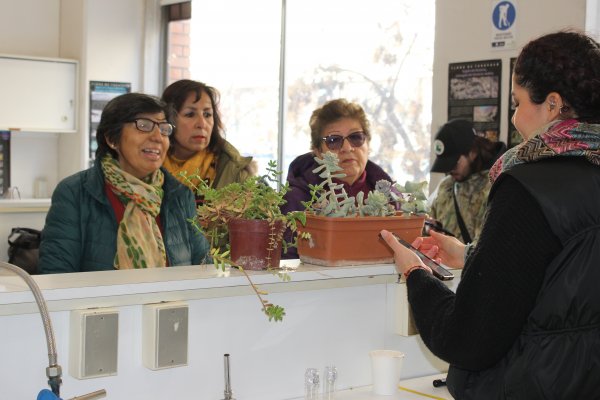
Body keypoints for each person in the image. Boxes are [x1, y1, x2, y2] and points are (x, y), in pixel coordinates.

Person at [381, 30, 600, 399]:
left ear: (552, 104)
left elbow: (468, 338)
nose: (514, 120)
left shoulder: (528, 186)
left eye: (517, 103)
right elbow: (566, 272)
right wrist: (473, 256)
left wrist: (416, 274)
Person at [39, 93, 210, 273]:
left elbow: (205, 267)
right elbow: (55, 273)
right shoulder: (75, 192)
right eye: (144, 126)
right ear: (112, 138)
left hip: (172, 293)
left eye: (164, 129)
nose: (158, 137)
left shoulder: (180, 195)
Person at [281, 98, 395, 258]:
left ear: (368, 144)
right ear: (318, 152)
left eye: (356, 137)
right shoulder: (296, 200)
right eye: (333, 141)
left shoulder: (391, 198)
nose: (347, 148)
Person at [161, 79, 256, 194]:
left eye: (207, 114)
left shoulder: (234, 172)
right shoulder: (148, 165)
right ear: (168, 120)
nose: (202, 124)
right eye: (190, 114)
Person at [428, 119, 506, 243]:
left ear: (473, 152)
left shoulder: (495, 186)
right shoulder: (446, 185)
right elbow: (431, 219)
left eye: (454, 163)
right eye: (446, 165)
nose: (450, 170)